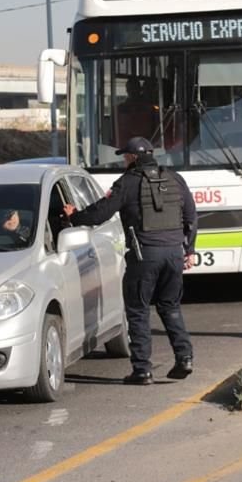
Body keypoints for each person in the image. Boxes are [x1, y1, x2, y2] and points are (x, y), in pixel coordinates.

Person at [62, 136, 197, 384]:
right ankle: (184, 358)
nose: (124, 161)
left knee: (138, 311)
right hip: (174, 255)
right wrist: (189, 251)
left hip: (144, 255)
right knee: (170, 307)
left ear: (132, 158)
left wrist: (74, 217)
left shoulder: (127, 182)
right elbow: (191, 216)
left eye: (126, 157)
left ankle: (142, 370)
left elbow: (100, 213)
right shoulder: (175, 179)